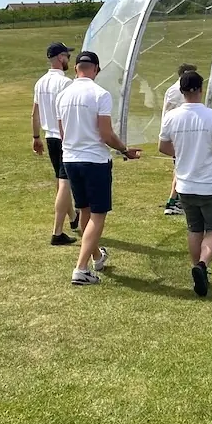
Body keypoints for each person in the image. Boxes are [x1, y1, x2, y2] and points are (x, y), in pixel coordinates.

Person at [56, 50, 142, 286]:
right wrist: (124, 150)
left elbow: (63, 133)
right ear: (95, 69)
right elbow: (105, 134)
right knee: (98, 214)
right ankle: (81, 268)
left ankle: (96, 256)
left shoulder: (63, 95)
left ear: (76, 69)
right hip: (94, 161)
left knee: (84, 210)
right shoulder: (100, 94)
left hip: (71, 159)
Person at [158, 70, 212, 298]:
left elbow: (163, 146)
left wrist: (181, 154)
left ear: (181, 91)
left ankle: (198, 268)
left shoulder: (171, 117)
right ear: (201, 89)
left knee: (194, 228)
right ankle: (201, 265)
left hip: (185, 185)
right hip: (210, 184)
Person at [31, 41, 78, 246]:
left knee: (61, 182)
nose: (68, 59)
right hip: (63, 137)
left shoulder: (40, 82)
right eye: (66, 56)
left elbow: (35, 113)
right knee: (65, 183)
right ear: (60, 57)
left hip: (49, 137)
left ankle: (74, 218)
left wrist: (35, 137)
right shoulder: (66, 83)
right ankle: (57, 232)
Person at [161, 62, 197, 216]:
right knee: (181, 169)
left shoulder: (174, 89)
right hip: (179, 136)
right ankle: (173, 202)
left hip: (179, 135)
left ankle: (177, 201)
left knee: (181, 168)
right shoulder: (177, 91)